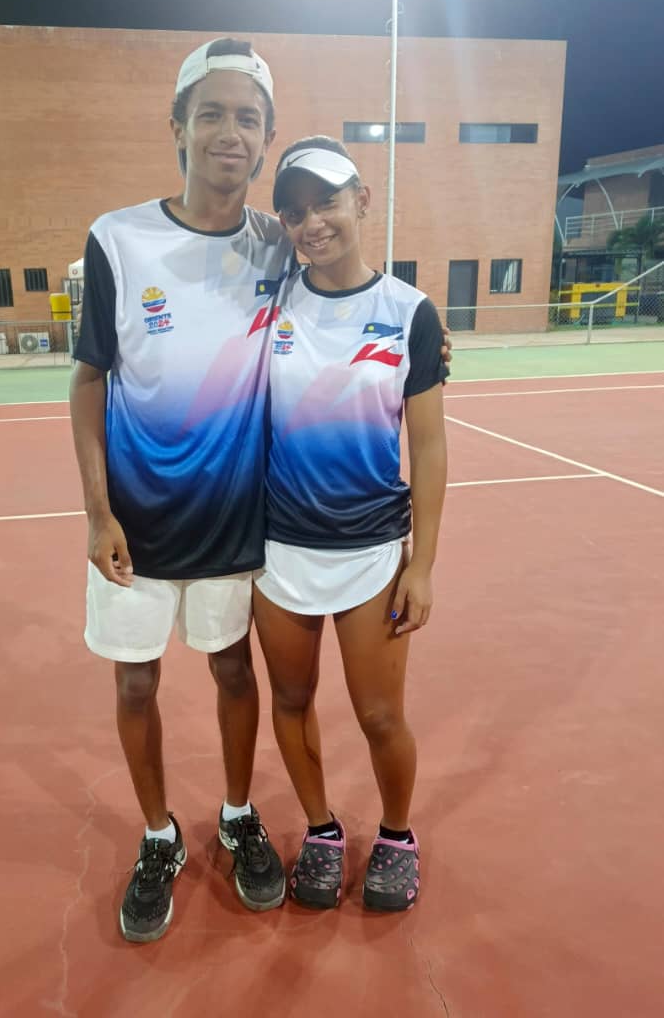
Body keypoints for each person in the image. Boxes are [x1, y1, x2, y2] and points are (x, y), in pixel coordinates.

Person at [70, 38, 291, 943]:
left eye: (248, 118)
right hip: (137, 522)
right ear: (178, 127)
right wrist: (97, 513)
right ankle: (158, 834)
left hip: (234, 519)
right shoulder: (118, 239)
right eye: (212, 113)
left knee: (235, 670)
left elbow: (348, 307)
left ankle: (236, 816)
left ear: (266, 138)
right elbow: (89, 380)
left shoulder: (279, 245)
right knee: (135, 683)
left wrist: (419, 340)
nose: (230, 132)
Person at [252, 136, 448, 913]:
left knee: (378, 714)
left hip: (371, 553)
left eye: (327, 202)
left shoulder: (409, 313)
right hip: (277, 552)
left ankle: (397, 835)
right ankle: (322, 830)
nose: (313, 223)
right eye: (294, 212)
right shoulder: (267, 306)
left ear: (362, 200)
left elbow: (427, 447)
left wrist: (421, 564)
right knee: (291, 699)